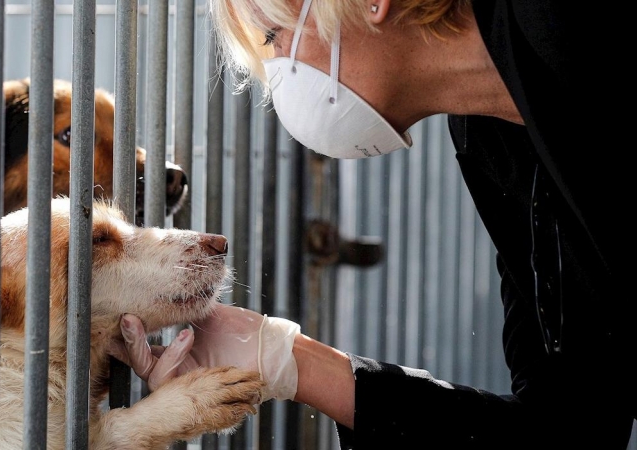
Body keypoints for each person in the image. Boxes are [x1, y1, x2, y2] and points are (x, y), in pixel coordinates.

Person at [109, 0, 634, 448]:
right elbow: (565, 430)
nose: (278, 72)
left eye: (273, 35)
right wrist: (282, 359)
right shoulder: (491, 136)